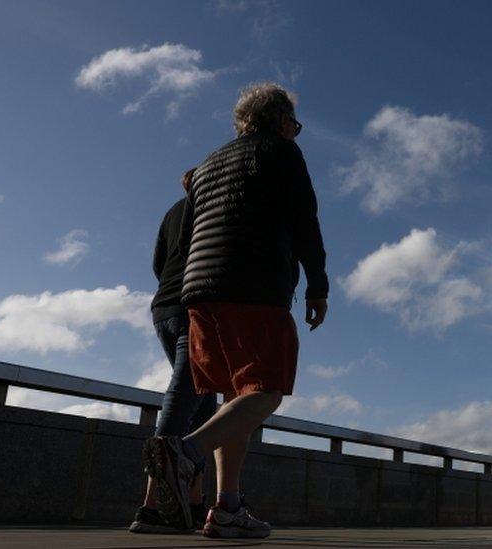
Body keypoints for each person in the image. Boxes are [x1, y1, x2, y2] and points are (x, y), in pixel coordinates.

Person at [144, 82, 328, 539]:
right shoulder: (281, 152)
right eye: (294, 125)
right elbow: (305, 220)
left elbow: (181, 241)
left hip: (199, 296)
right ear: (282, 121)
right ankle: (185, 455)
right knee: (266, 391)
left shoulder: (207, 163)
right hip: (255, 286)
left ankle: (227, 506)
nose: (295, 132)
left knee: (234, 397)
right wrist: (318, 286)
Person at [130, 169, 218, 534]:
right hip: (193, 308)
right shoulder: (217, 209)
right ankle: (152, 506)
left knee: (203, 399)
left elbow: (158, 262)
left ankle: (195, 503)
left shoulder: (172, 211)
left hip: (163, 310)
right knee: (183, 397)